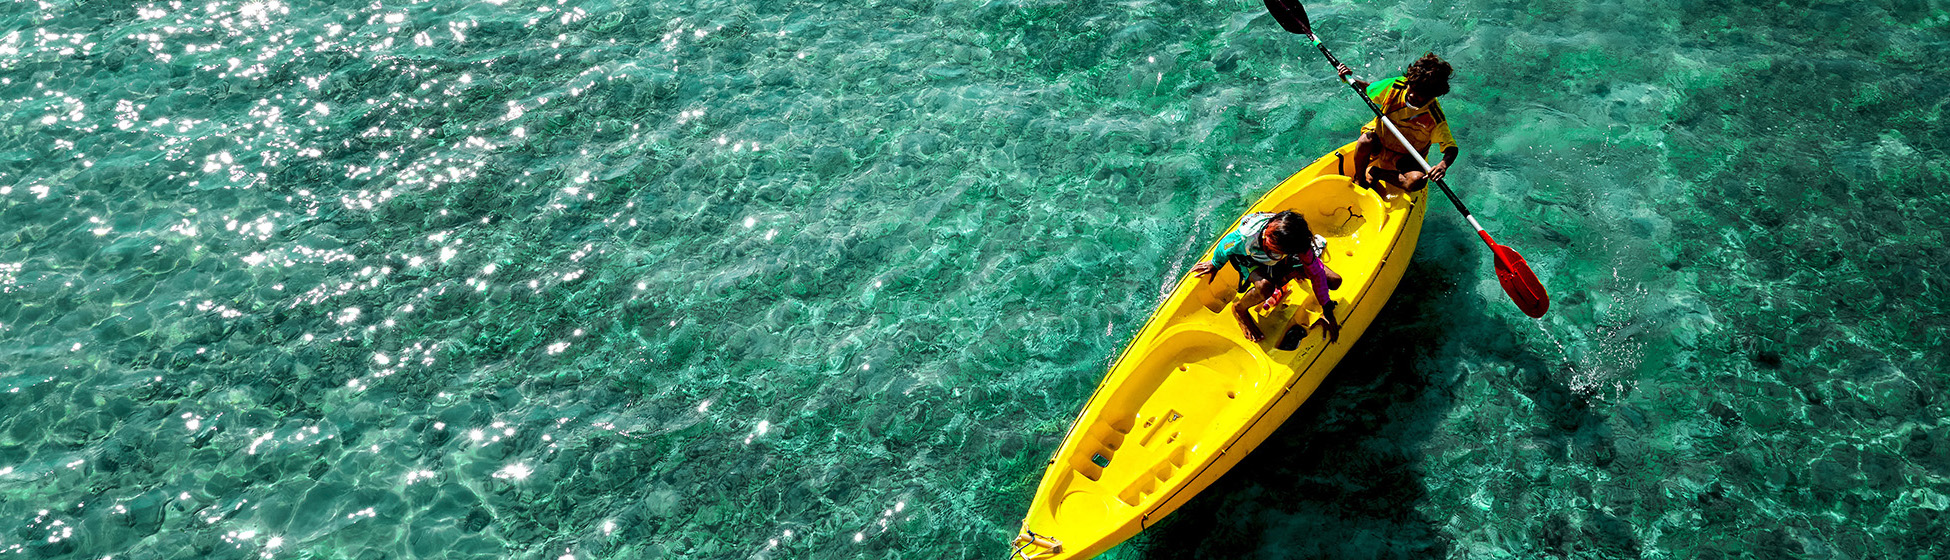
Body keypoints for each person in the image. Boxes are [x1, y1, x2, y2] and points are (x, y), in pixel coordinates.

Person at [1190, 211, 1343, 344]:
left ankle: (1288, 273)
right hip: (1248, 258)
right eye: (1276, 250)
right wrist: (1215, 264)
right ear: (1266, 238)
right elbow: (1225, 245)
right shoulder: (1246, 237)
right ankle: (1240, 310)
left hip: (1277, 257)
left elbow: (1317, 274)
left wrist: (1327, 309)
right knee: (1265, 287)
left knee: (1334, 280)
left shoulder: (1298, 244)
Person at [1333, 53, 1458, 193]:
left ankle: (1377, 173)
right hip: (1380, 142)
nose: (1412, 96)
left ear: (1432, 96)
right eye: (1412, 89)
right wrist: (1348, 79)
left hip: (1406, 157)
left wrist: (1443, 165)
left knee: (1417, 182)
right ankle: (1360, 179)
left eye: (1420, 95)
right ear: (1409, 81)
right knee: (1364, 141)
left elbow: (1451, 148)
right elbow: (1369, 89)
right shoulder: (1397, 86)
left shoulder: (1434, 116)